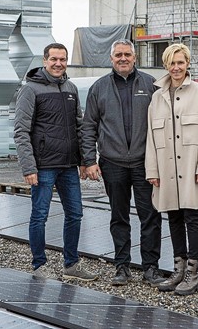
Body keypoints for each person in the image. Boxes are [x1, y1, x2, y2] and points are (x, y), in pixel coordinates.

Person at [82, 39, 164, 287]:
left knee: (150, 216)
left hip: (144, 164)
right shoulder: (99, 88)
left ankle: (150, 268)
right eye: (118, 55)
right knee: (119, 217)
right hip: (112, 163)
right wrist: (89, 159)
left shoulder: (151, 84)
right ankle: (122, 266)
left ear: (135, 57)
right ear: (111, 58)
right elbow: (88, 127)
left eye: (127, 54)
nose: (123, 58)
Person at [14, 42, 97, 282]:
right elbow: (21, 130)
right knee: (40, 215)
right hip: (43, 166)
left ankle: (71, 264)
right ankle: (39, 265)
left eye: (63, 59)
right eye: (54, 59)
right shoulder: (30, 90)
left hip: (69, 166)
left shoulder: (70, 88)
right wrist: (29, 167)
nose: (59, 63)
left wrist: (84, 160)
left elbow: (79, 126)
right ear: (45, 61)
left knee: (75, 214)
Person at [145, 43, 198, 296]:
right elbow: (151, 138)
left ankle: (193, 275)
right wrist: (152, 170)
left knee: (192, 218)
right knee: (173, 218)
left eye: (181, 63)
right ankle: (178, 270)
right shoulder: (156, 97)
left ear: (187, 64)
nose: (176, 67)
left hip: (191, 167)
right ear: (166, 65)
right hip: (166, 170)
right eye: (172, 63)